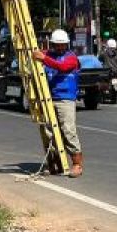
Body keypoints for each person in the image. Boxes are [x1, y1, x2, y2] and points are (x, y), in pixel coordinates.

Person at [32, 29, 84, 178]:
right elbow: (36, 53)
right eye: (57, 45)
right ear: (53, 44)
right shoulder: (48, 54)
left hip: (66, 99)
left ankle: (77, 164)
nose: (60, 47)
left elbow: (62, 67)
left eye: (63, 45)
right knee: (49, 132)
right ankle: (55, 163)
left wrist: (43, 58)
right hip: (49, 98)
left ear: (67, 44)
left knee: (68, 130)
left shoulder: (71, 57)